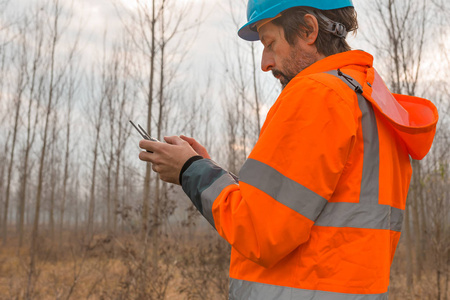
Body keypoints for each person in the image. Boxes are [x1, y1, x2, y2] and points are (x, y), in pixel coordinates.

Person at [138, 0, 439, 299]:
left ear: (308, 30)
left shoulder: (317, 95)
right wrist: (207, 167)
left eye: (270, 43)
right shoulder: (370, 107)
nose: (265, 63)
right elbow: (310, 213)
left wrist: (191, 170)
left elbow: (259, 231)